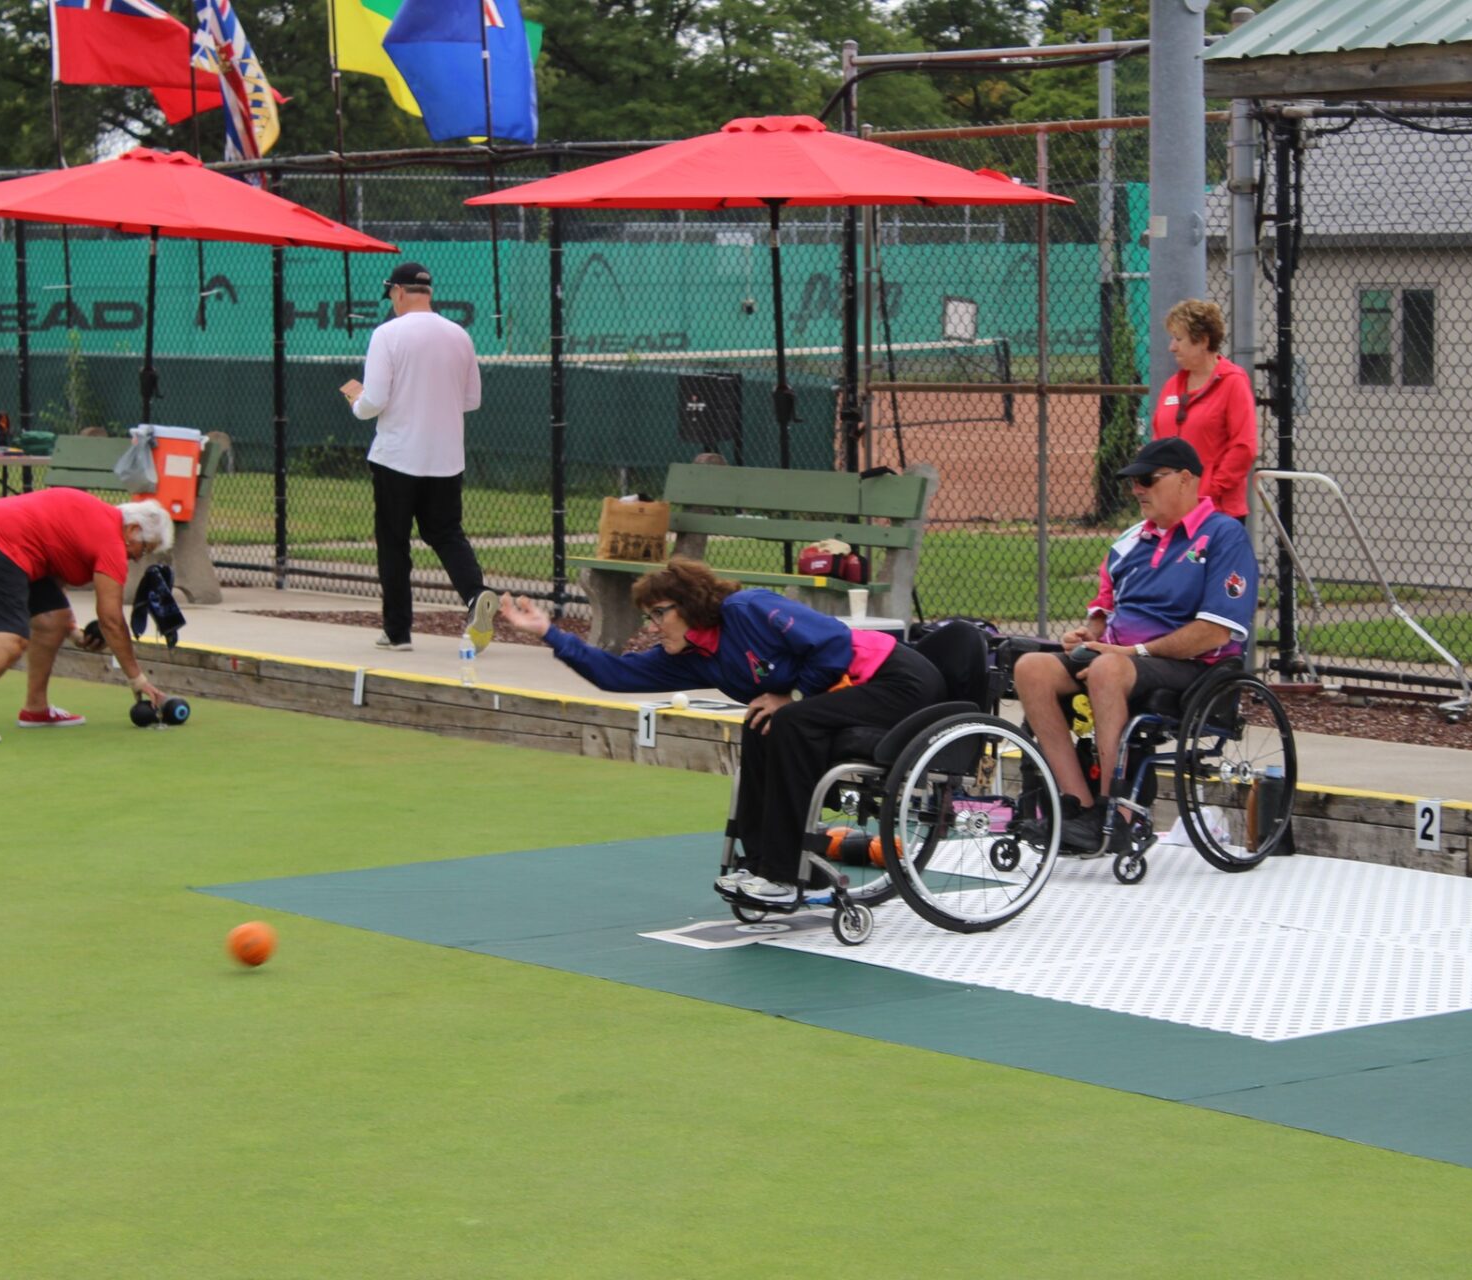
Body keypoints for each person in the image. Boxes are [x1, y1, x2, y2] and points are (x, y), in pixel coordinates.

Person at [500, 559, 945, 906]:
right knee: (760, 724)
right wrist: (549, 633)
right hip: (843, 700)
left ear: (689, 604)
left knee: (787, 718)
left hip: (896, 680)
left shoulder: (749, 609)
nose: (651, 626)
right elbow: (614, 674)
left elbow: (831, 643)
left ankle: (785, 875)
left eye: (658, 613)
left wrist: (794, 696)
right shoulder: (692, 654)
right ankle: (759, 866)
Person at [1013, 438, 1259, 851]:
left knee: (1109, 670)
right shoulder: (1130, 539)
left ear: (1185, 480)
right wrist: (1089, 633)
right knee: (1031, 669)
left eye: (1147, 480)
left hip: (1193, 667)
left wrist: (1133, 653)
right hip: (1119, 657)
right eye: (1132, 483)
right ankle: (1079, 808)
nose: (1136, 490)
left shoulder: (1223, 535)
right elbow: (1104, 607)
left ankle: (1117, 816)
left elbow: (1216, 630)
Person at [0, 489, 176, 744]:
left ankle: (36, 709)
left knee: (54, 620)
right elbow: (112, 620)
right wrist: (137, 680)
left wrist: (70, 628)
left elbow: (54, 563)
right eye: (144, 548)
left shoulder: (97, 520)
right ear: (132, 530)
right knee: (10, 638)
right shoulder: (112, 542)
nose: (139, 558)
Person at [343, 260, 498, 654]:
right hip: (446, 457)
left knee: (394, 542)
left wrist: (356, 401)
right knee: (446, 533)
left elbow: (373, 401)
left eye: (391, 296)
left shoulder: (387, 335)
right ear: (427, 292)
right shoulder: (459, 335)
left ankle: (398, 631)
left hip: (396, 456)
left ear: (397, 291)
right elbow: (472, 400)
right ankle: (475, 594)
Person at [1152, 299, 1258, 519]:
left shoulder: (1233, 382)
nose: (1172, 347)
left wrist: (1207, 491)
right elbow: (1158, 443)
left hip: (1217, 513)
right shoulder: (1172, 385)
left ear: (1202, 341)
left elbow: (1244, 447)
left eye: (1179, 339)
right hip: (1173, 511)